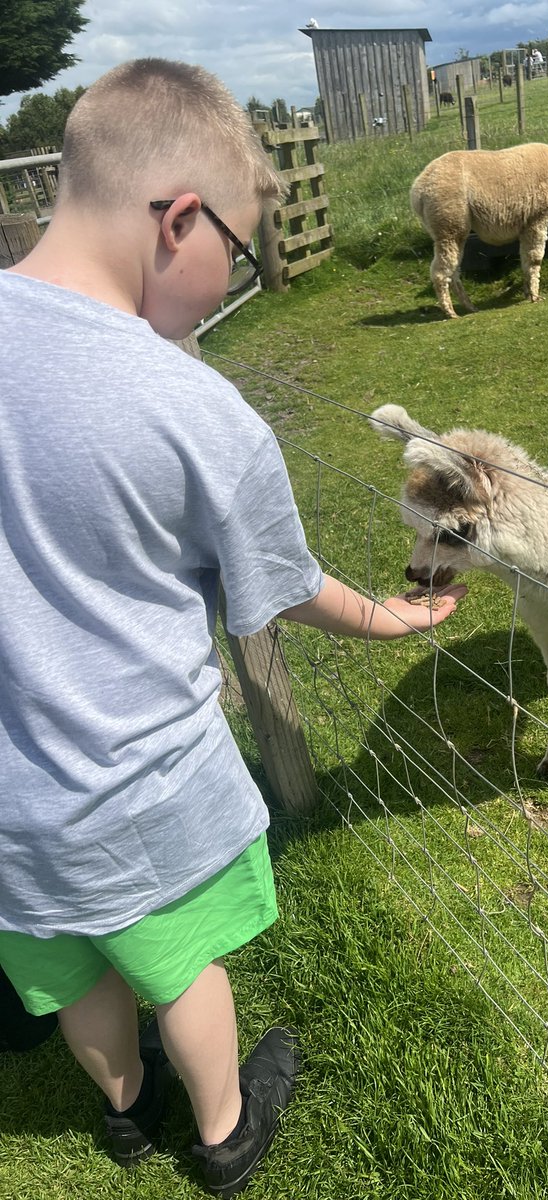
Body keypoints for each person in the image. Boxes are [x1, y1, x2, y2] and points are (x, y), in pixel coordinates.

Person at [0, 58, 465, 1197]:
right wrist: (390, 620)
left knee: (75, 975)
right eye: (240, 253)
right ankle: (223, 1131)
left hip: (10, 801)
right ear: (178, 220)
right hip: (137, 785)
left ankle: (124, 1115)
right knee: (179, 966)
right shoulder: (195, 409)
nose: (226, 288)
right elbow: (284, 585)